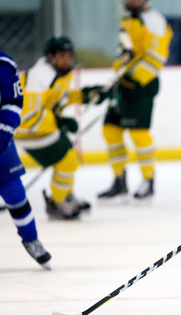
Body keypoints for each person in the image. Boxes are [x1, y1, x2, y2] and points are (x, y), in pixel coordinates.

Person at [14, 36, 110, 220]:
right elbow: (27, 115)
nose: (67, 60)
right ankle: (58, 202)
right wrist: (59, 122)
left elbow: (60, 98)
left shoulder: (58, 73)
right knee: (67, 158)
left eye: (69, 56)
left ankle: (64, 196)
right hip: (26, 131)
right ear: (51, 57)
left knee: (69, 156)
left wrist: (87, 95)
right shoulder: (40, 76)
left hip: (38, 128)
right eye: (62, 56)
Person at [97, 0, 172, 201]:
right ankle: (119, 181)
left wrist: (134, 80)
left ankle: (148, 181)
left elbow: (156, 56)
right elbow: (125, 53)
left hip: (141, 85)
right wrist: (118, 78)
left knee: (139, 134)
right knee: (110, 130)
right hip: (124, 84)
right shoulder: (129, 19)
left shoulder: (154, 21)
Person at [0, 49, 52, 269]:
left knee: (14, 191)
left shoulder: (2, 65)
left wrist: (4, 126)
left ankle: (31, 239)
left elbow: (14, 100)